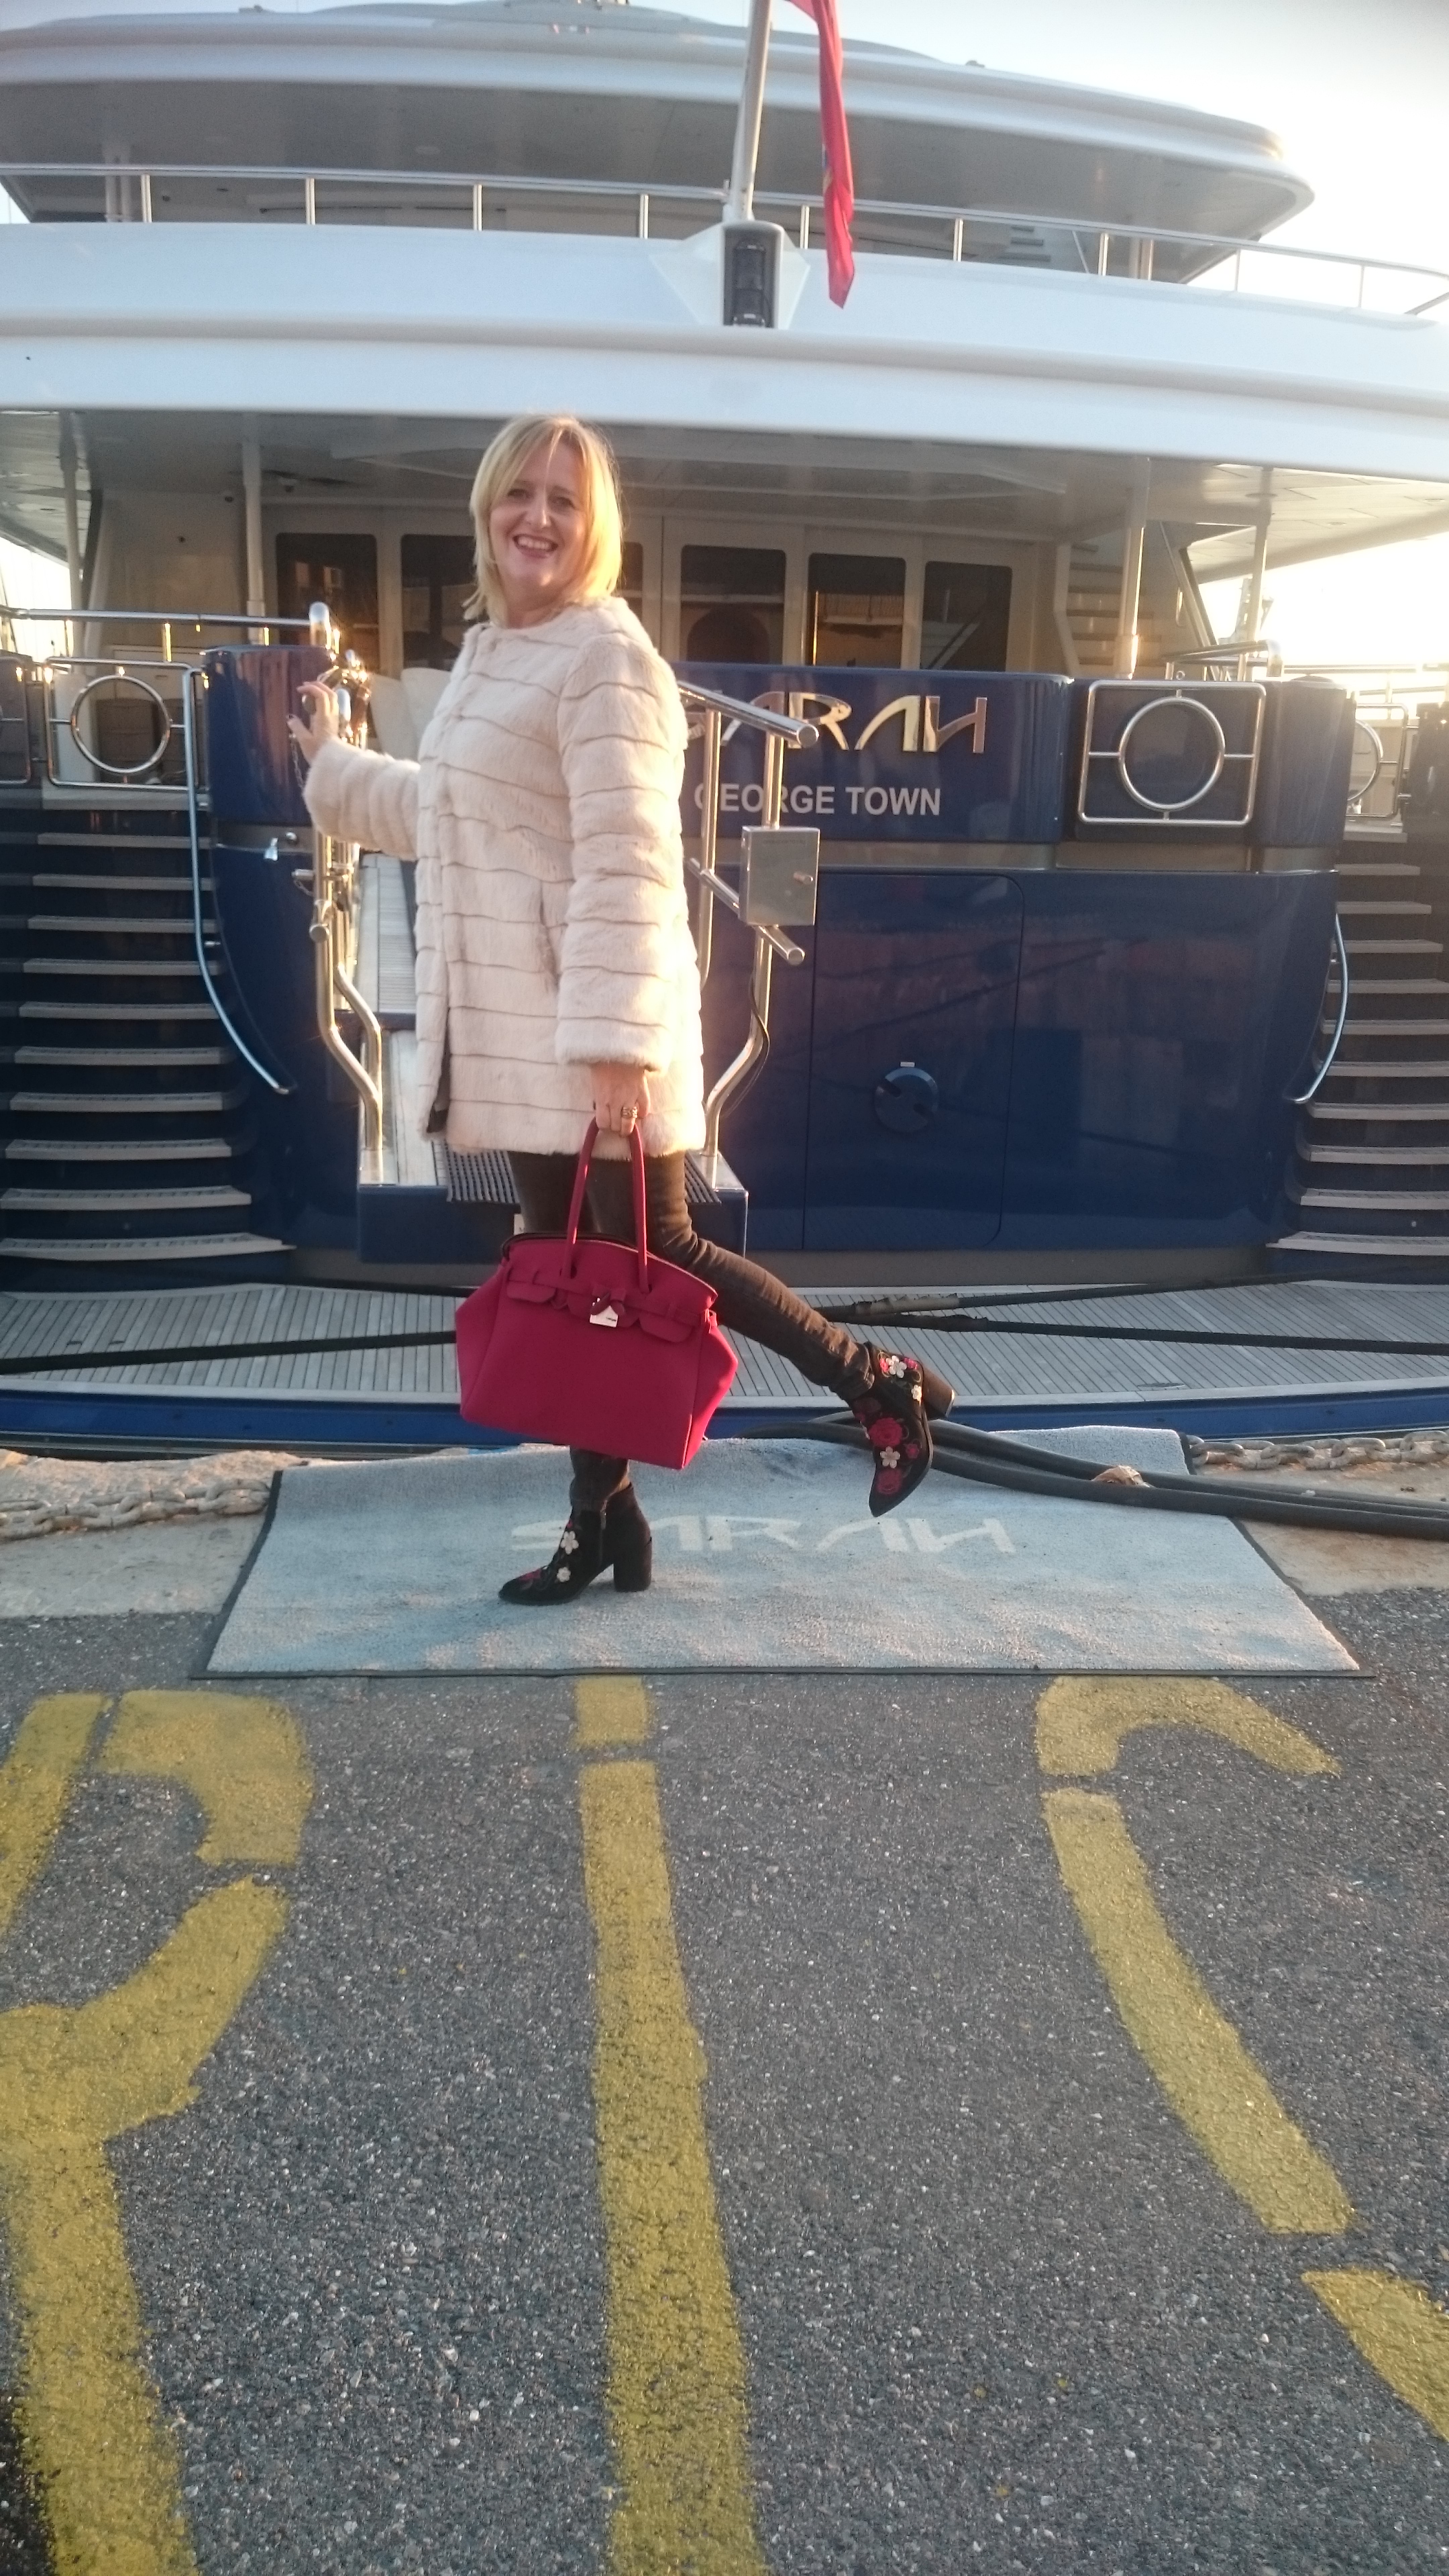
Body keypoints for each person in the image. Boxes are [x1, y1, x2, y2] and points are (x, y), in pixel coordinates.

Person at [289, 411, 952, 1607]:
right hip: (522, 1036)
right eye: (519, 493)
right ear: (487, 509)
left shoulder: (607, 654)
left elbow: (632, 860)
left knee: (664, 1252)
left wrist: (612, 1049)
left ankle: (877, 1384)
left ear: (595, 527)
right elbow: (452, 813)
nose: (537, 517)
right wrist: (331, 769)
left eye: (564, 499)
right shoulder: (497, 647)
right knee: (567, 1285)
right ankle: (604, 1526)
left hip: (590, 1033)